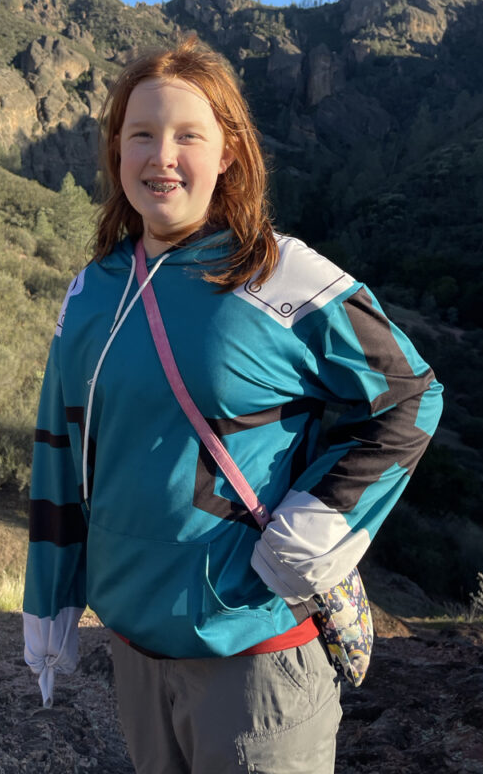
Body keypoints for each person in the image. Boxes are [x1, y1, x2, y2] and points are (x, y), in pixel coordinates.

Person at [22, 38, 443, 773]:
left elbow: (408, 396)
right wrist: (49, 599)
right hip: (134, 653)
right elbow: (59, 445)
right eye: (142, 134)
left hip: (257, 657)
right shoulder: (92, 292)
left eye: (189, 136)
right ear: (116, 151)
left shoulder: (280, 275)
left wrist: (316, 525)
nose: (162, 157)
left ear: (230, 155)